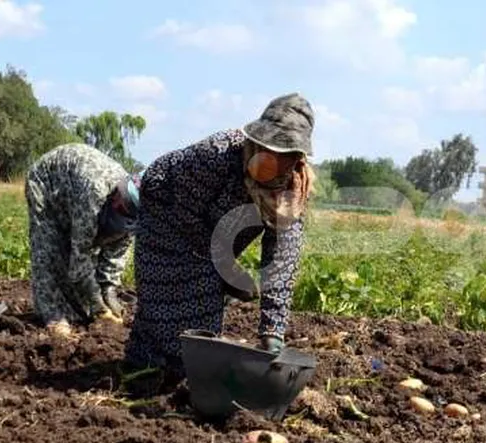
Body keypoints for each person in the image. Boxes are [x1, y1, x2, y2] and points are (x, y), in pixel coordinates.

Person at [122, 92, 315, 386]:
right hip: (167, 218)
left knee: (204, 314)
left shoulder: (291, 194)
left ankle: (186, 376)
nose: (271, 158)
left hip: (215, 242)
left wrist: (272, 333)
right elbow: (158, 181)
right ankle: (141, 371)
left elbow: (281, 264)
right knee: (161, 299)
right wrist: (224, 265)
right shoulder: (219, 153)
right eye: (266, 147)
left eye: (282, 153)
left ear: (295, 159)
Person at [25, 143, 143, 339]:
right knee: (49, 250)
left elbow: (117, 252)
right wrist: (98, 304)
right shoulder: (94, 193)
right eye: (121, 208)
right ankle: (54, 316)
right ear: (116, 198)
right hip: (47, 183)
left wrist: (109, 292)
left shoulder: (136, 212)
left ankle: (79, 311)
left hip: (76, 188)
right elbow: (80, 260)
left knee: (92, 266)